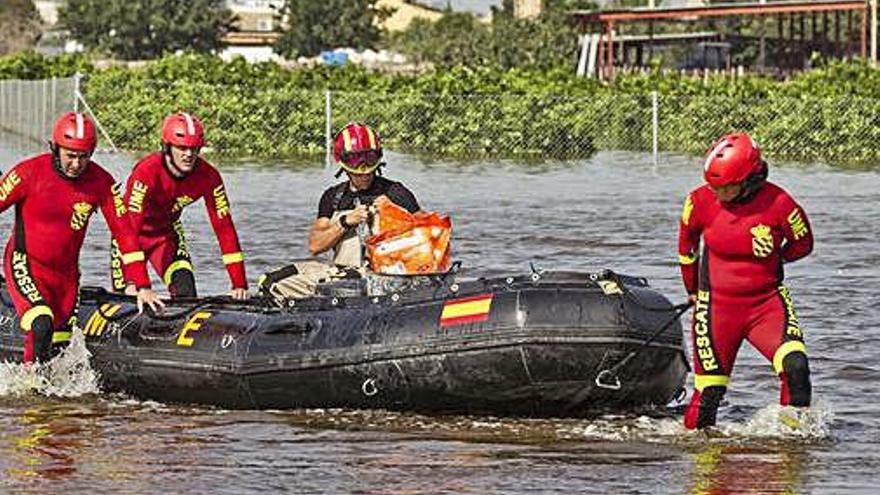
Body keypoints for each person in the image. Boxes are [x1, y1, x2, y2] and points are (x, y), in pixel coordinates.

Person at [0, 112, 163, 363]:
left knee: (60, 346)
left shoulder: (102, 183)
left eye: (83, 156)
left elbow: (125, 235)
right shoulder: (27, 173)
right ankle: (30, 391)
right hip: (25, 264)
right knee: (41, 323)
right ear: (54, 148)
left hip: (67, 276)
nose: (76, 164)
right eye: (70, 156)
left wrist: (142, 285)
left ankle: (53, 399)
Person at [678, 132, 814, 430]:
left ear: (749, 179)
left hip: (767, 304)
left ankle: (793, 450)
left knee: (796, 369)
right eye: (713, 185)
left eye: (724, 187)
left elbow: (803, 244)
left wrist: (774, 259)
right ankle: (700, 461)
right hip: (716, 308)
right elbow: (686, 248)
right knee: (710, 391)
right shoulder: (699, 201)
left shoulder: (780, 203)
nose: (716, 193)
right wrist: (692, 290)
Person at [110, 112, 248, 300]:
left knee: (186, 293)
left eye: (194, 149)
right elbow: (130, 228)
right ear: (167, 146)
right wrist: (141, 285)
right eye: (182, 148)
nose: (189, 155)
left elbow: (225, 230)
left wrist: (239, 283)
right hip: (129, 237)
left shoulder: (210, 176)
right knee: (129, 297)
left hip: (166, 235)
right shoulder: (147, 171)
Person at [308, 122, 421, 267]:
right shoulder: (333, 197)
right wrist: (345, 222)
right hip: (345, 279)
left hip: (389, 275)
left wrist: (394, 213)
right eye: (355, 161)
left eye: (370, 158)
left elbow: (431, 232)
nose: (364, 170)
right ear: (343, 164)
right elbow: (315, 246)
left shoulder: (396, 192)